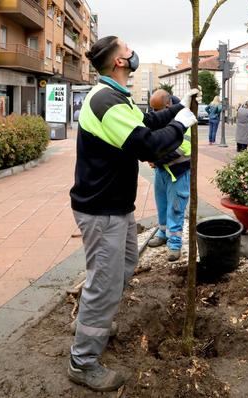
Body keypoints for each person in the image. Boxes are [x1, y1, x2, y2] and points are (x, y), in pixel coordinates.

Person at [68, 35, 199, 392]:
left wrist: (177, 108)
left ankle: (93, 319)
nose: (132, 52)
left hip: (116, 207)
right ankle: (83, 361)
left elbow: (148, 121)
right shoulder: (106, 102)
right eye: (127, 50)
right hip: (102, 209)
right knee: (105, 283)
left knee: (122, 269)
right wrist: (183, 123)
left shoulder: (117, 97)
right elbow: (147, 144)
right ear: (120, 63)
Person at [147, 89, 191, 261]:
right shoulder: (160, 117)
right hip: (162, 170)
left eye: (157, 110)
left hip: (178, 172)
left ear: (168, 105)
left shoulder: (183, 118)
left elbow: (184, 148)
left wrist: (156, 159)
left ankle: (174, 243)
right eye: (152, 110)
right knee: (162, 205)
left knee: (175, 208)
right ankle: (163, 232)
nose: (154, 114)